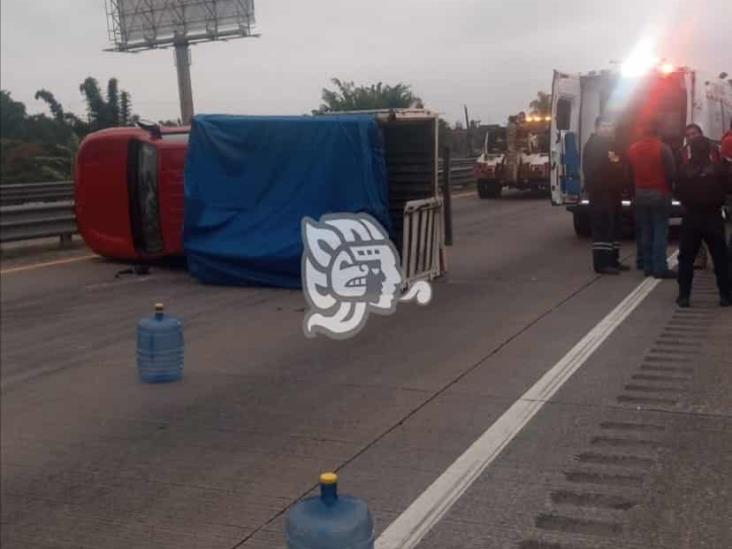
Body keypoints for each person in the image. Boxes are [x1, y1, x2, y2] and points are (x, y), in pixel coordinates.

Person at [675, 125, 730, 307]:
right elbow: (728, 188)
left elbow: (678, 193)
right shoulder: (718, 169)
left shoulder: (684, 171)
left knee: (686, 258)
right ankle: (725, 294)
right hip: (713, 217)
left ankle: (684, 295)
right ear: (708, 150)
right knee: (720, 258)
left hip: (691, 217)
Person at [627, 119, 676, 279]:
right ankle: (660, 267)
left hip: (640, 194)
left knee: (645, 231)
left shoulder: (633, 149)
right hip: (660, 193)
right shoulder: (663, 148)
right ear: (658, 132)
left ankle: (647, 266)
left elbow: (629, 173)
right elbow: (671, 173)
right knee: (660, 231)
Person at [582, 116, 627, 274]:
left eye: (610, 126)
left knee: (614, 226)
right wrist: (615, 168)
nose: (608, 129)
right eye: (604, 126)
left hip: (612, 191)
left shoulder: (609, 144)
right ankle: (602, 264)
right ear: (596, 128)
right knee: (602, 227)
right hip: (601, 192)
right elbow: (598, 170)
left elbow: (617, 164)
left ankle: (613, 260)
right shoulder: (595, 145)